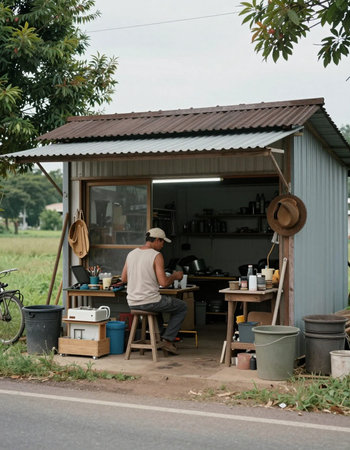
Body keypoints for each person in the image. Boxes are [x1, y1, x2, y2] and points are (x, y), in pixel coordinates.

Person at [121, 227, 186, 354]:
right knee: (182, 306)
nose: (162, 246)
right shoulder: (156, 255)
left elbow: (123, 278)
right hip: (149, 301)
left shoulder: (132, 253)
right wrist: (175, 276)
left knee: (159, 307)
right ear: (156, 240)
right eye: (162, 242)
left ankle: (159, 338)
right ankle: (167, 340)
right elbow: (164, 283)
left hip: (132, 302)